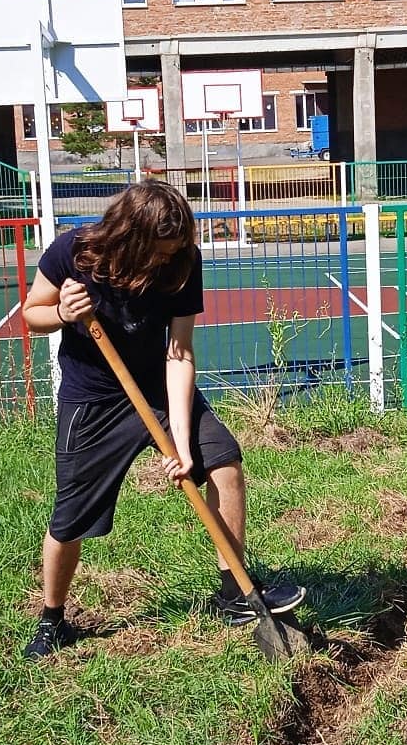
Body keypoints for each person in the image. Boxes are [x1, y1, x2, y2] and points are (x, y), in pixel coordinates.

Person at [20, 180, 305, 660]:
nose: (162, 261)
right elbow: (32, 313)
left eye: (172, 251)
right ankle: (53, 619)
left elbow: (179, 352)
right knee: (71, 519)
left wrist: (182, 444)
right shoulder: (73, 252)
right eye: (155, 252)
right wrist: (64, 314)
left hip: (155, 385)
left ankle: (234, 590)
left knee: (224, 463)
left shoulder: (181, 263)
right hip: (92, 399)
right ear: (129, 237)